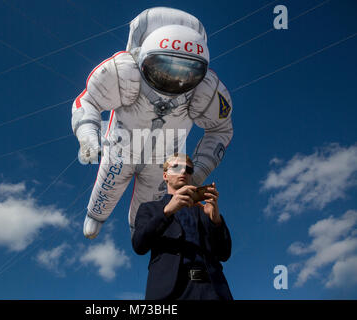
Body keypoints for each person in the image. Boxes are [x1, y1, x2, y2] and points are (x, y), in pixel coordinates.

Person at [72, 7, 234, 239]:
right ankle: (96, 216)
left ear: (201, 71)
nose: (175, 80)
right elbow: (88, 101)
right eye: (165, 69)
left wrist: (197, 171)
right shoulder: (123, 71)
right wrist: (88, 135)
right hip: (121, 151)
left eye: (186, 73)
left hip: (163, 163)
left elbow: (220, 130)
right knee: (106, 190)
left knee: (147, 207)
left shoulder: (206, 90)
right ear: (143, 59)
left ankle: (139, 233)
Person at [132, 153, 233, 300]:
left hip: (211, 291)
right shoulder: (150, 209)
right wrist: (167, 211)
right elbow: (139, 245)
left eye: (188, 170)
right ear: (165, 175)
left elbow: (224, 254)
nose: (184, 171)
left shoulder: (204, 210)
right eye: (176, 167)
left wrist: (216, 220)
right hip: (171, 292)